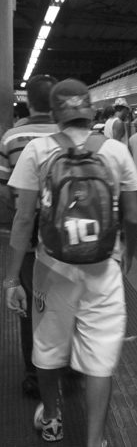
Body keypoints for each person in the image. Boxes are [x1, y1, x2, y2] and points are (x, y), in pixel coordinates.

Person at [2, 79, 137, 447]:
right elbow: (132, 216)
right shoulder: (115, 151)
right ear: (90, 109)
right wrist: (127, 255)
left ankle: (51, 420)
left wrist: (11, 279)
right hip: (104, 268)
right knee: (100, 360)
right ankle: (95, 441)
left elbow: (23, 218)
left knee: (48, 349)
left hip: (51, 267)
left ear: (54, 111)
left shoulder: (37, 150)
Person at [0, 74, 60, 400]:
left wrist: (27, 204)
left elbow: (5, 193)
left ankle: (35, 378)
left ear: (28, 102)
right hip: (65, 241)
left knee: (31, 309)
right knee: (67, 304)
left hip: (27, 242)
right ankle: (73, 368)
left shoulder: (12, 138)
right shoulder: (70, 135)